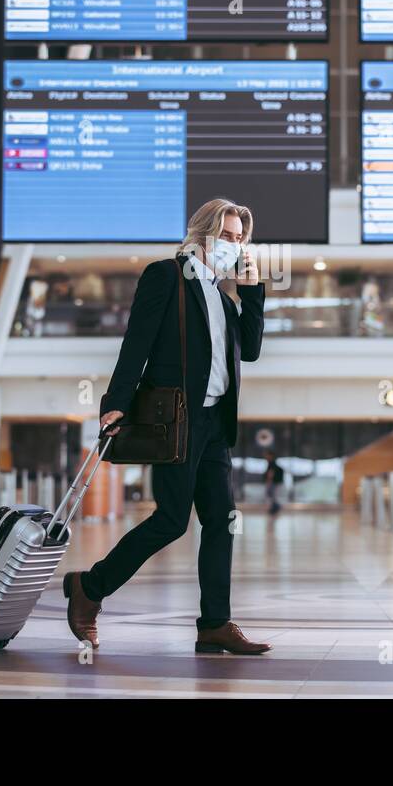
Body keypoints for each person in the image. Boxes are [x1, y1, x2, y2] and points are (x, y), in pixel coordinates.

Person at [65, 199, 271, 655]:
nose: (235, 245)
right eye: (228, 235)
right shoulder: (165, 276)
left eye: (241, 239)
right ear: (202, 234)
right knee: (172, 521)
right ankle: (90, 587)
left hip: (216, 422)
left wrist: (252, 291)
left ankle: (215, 624)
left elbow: (251, 350)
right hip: (178, 418)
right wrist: (116, 403)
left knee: (222, 520)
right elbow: (136, 340)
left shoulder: (222, 294)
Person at [263, 449, 284, 515]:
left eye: (267, 455)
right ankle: (275, 507)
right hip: (275, 482)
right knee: (272, 496)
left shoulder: (272, 463)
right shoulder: (272, 463)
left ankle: (276, 507)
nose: (266, 457)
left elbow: (270, 473)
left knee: (272, 495)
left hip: (274, 482)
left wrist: (269, 482)